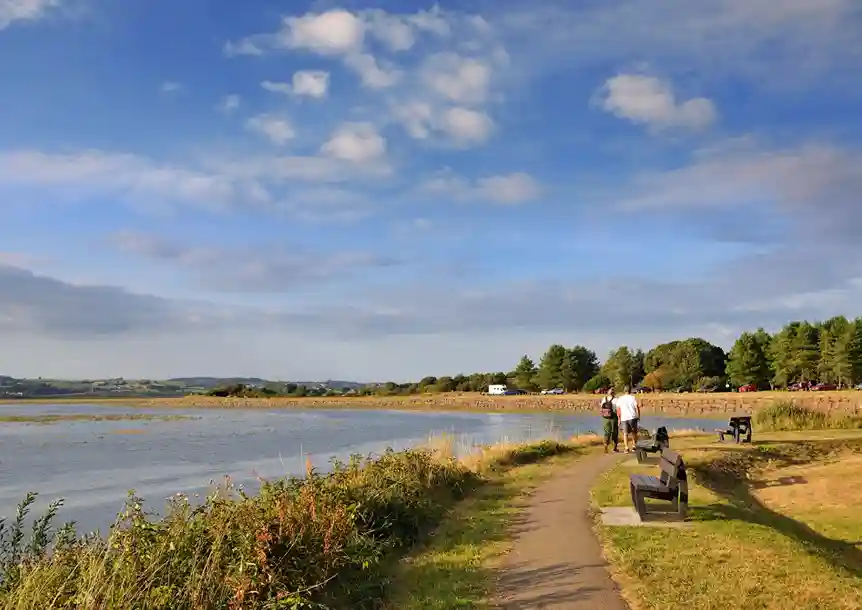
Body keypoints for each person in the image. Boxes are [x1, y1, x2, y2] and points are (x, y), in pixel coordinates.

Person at [615, 385, 640, 453]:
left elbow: (618, 409)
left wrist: (619, 418)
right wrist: (638, 416)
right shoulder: (633, 397)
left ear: (624, 391)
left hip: (624, 418)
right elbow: (637, 407)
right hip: (632, 417)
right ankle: (634, 446)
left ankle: (626, 448)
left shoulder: (620, 398)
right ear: (630, 391)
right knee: (634, 432)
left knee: (625, 433)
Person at [600, 388, 619, 453]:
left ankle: (605, 444)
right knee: (614, 432)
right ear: (614, 393)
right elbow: (618, 409)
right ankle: (614, 448)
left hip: (605, 418)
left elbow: (601, 408)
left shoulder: (603, 399)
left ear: (608, 393)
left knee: (606, 432)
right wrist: (619, 418)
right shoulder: (616, 400)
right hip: (613, 417)